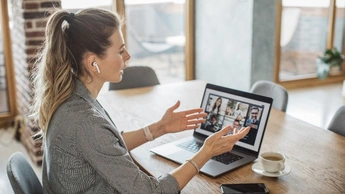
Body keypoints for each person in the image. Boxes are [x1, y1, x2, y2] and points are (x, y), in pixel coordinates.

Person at [31, 8, 250, 194]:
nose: (127, 57)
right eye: (120, 50)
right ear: (93, 63)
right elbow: (152, 192)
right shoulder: (84, 120)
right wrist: (206, 152)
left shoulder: (75, 98)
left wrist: (158, 128)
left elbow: (107, 147)